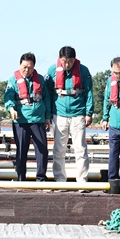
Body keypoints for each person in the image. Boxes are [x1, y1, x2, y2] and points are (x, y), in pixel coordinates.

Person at [45, 46, 94, 183]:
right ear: (60, 59)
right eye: (64, 61)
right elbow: (47, 93)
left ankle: (82, 180)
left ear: (75, 59)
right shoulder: (52, 70)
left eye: (70, 61)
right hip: (59, 114)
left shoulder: (83, 70)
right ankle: (60, 179)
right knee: (59, 149)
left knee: (80, 149)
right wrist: (48, 115)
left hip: (78, 113)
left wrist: (89, 112)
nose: (67, 65)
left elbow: (89, 92)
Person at [4, 52, 51, 181]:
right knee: (21, 151)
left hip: (38, 120)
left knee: (42, 150)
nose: (26, 70)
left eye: (30, 67)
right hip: (21, 120)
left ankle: (41, 178)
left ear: (34, 66)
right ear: (20, 65)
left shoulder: (40, 79)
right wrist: (11, 108)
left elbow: (46, 99)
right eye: (24, 67)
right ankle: (21, 178)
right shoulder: (12, 80)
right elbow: (8, 97)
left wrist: (47, 117)